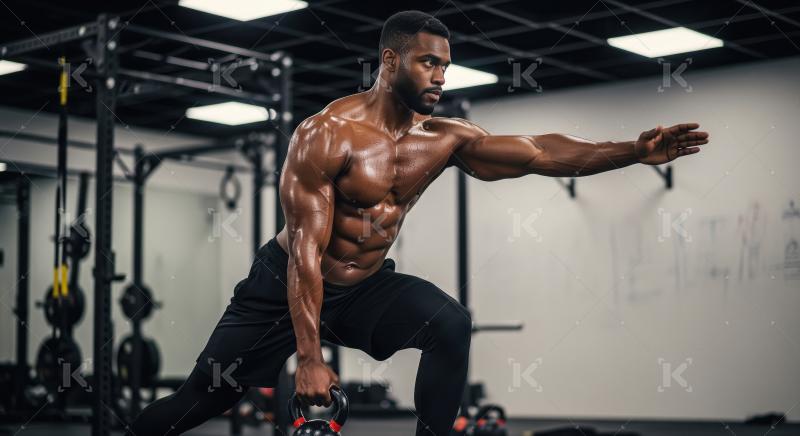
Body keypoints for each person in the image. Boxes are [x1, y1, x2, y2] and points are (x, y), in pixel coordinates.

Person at [129, 10, 709, 435]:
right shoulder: (326, 133)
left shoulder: (443, 138)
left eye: (446, 66)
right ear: (390, 61)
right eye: (429, 62)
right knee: (204, 397)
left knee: (449, 324)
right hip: (285, 284)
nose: (441, 76)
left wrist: (632, 151)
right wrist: (308, 358)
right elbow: (305, 252)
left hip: (364, 287)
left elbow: (540, 151)